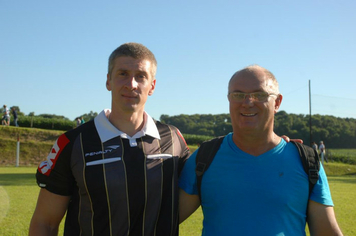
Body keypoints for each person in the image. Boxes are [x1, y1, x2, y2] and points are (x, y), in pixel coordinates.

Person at [29, 42, 190, 236]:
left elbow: (196, 193)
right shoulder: (74, 143)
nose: (131, 84)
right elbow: (44, 223)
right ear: (108, 81)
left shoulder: (173, 139)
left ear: (152, 86)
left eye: (141, 76)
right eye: (123, 73)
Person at [178, 65, 343, 235]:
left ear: (277, 102)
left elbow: (327, 231)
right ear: (229, 99)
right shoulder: (205, 157)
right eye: (238, 95)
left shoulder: (306, 161)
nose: (248, 102)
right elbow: (160, 222)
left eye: (259, 95)